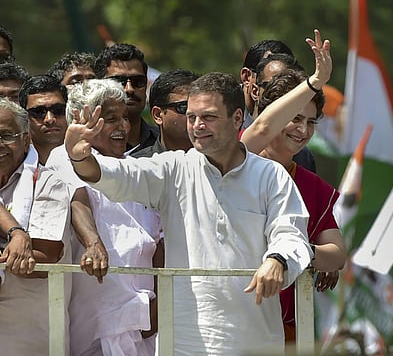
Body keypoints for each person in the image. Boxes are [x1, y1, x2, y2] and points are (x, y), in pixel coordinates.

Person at [65, 71, 313, 354]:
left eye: (208, 117)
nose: (197, 125)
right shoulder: (173, 169)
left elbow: (291, 233)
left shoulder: (270, 176)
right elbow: (120, 177)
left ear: (236, 119)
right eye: (192, 117)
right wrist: (80, 158)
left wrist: (277, 260)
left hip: (254, 340)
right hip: (185, 342)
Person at [241, 29, 346, 341]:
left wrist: (297, 253)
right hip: (225, 318)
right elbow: (259, 129)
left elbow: (336, 253)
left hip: (283, 329)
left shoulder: (311, 184)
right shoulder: (236, 158)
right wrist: (314, 82)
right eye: (295, 118)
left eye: (310, 122)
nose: (302, 130)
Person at [66, 78, 163, 355]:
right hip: (97, 319)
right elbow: (78, 200)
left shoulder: (140, 170)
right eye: (111, 119)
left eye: (124, 118)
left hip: (143, 316)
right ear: (81, 119)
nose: (123, 127)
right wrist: (93, 242)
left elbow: (160, 239)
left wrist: (159, 303)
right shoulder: (67, 160)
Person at [0, 98, 73, 355]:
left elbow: (45, 257)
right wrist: (16, 237)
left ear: (26, 140)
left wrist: (19, 241)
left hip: (29, 336)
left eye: (6, 135)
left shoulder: (47, 182)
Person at [18, 74, 108, 281]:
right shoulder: (12, 166)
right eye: (39, 112)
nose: (49, 119)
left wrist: (92, 242)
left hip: (84, 290)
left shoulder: (93, 160)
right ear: (25, 117)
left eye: (57, 110)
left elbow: (77, 196)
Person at [241, 39, 317, 173]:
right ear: (252, 84)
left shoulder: (302, 157)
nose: (287, 97)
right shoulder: (228, 135)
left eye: (294, 89)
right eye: (276, 84)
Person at [94, 43, 158, 156]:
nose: (129, 89)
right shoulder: (84, 149)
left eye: (138, 81)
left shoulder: (163, 143)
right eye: (118, 81)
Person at [134, 68, 199, 157]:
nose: (196, 116)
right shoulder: (138, 166)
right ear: (157, 115)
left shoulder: (219, 162)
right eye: (184, 107)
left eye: (200, 108)